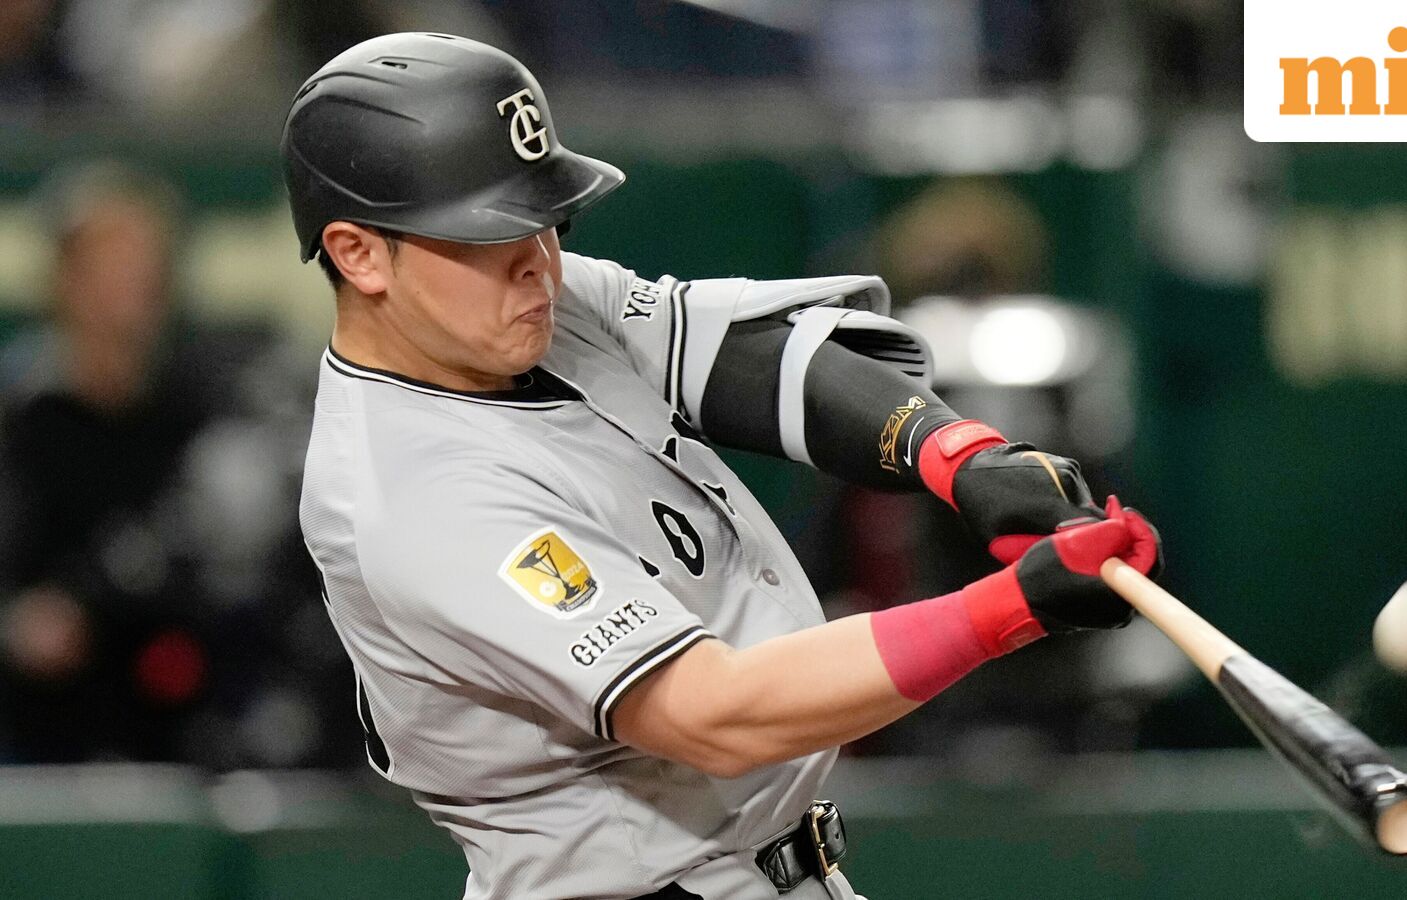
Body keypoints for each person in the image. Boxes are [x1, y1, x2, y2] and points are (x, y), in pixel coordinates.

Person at [286, 33, 1161, 900]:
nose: (539, 259)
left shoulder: (500, 303)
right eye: (490, 231)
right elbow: (714, 712)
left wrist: (962, 456)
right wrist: (1007, 610)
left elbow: (747, 359)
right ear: (360, 253)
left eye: (547, 221)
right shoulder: (414, 496)